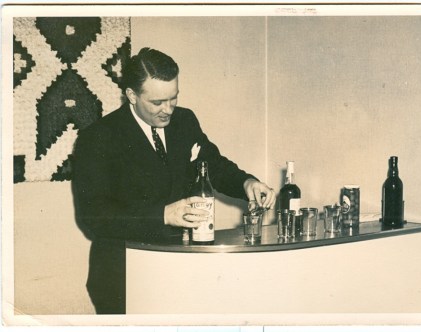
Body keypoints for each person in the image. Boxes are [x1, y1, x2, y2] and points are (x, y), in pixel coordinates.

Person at [72, 47, 276, 314]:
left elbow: (213, 165)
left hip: (179, 267)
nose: (168, 110)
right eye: (157, 103)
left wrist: (246, 183)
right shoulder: (97, 138)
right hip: (123, 273)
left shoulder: (185, 121)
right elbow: (93, 216)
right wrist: (163, 215)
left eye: (173, 99)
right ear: (131, 95)